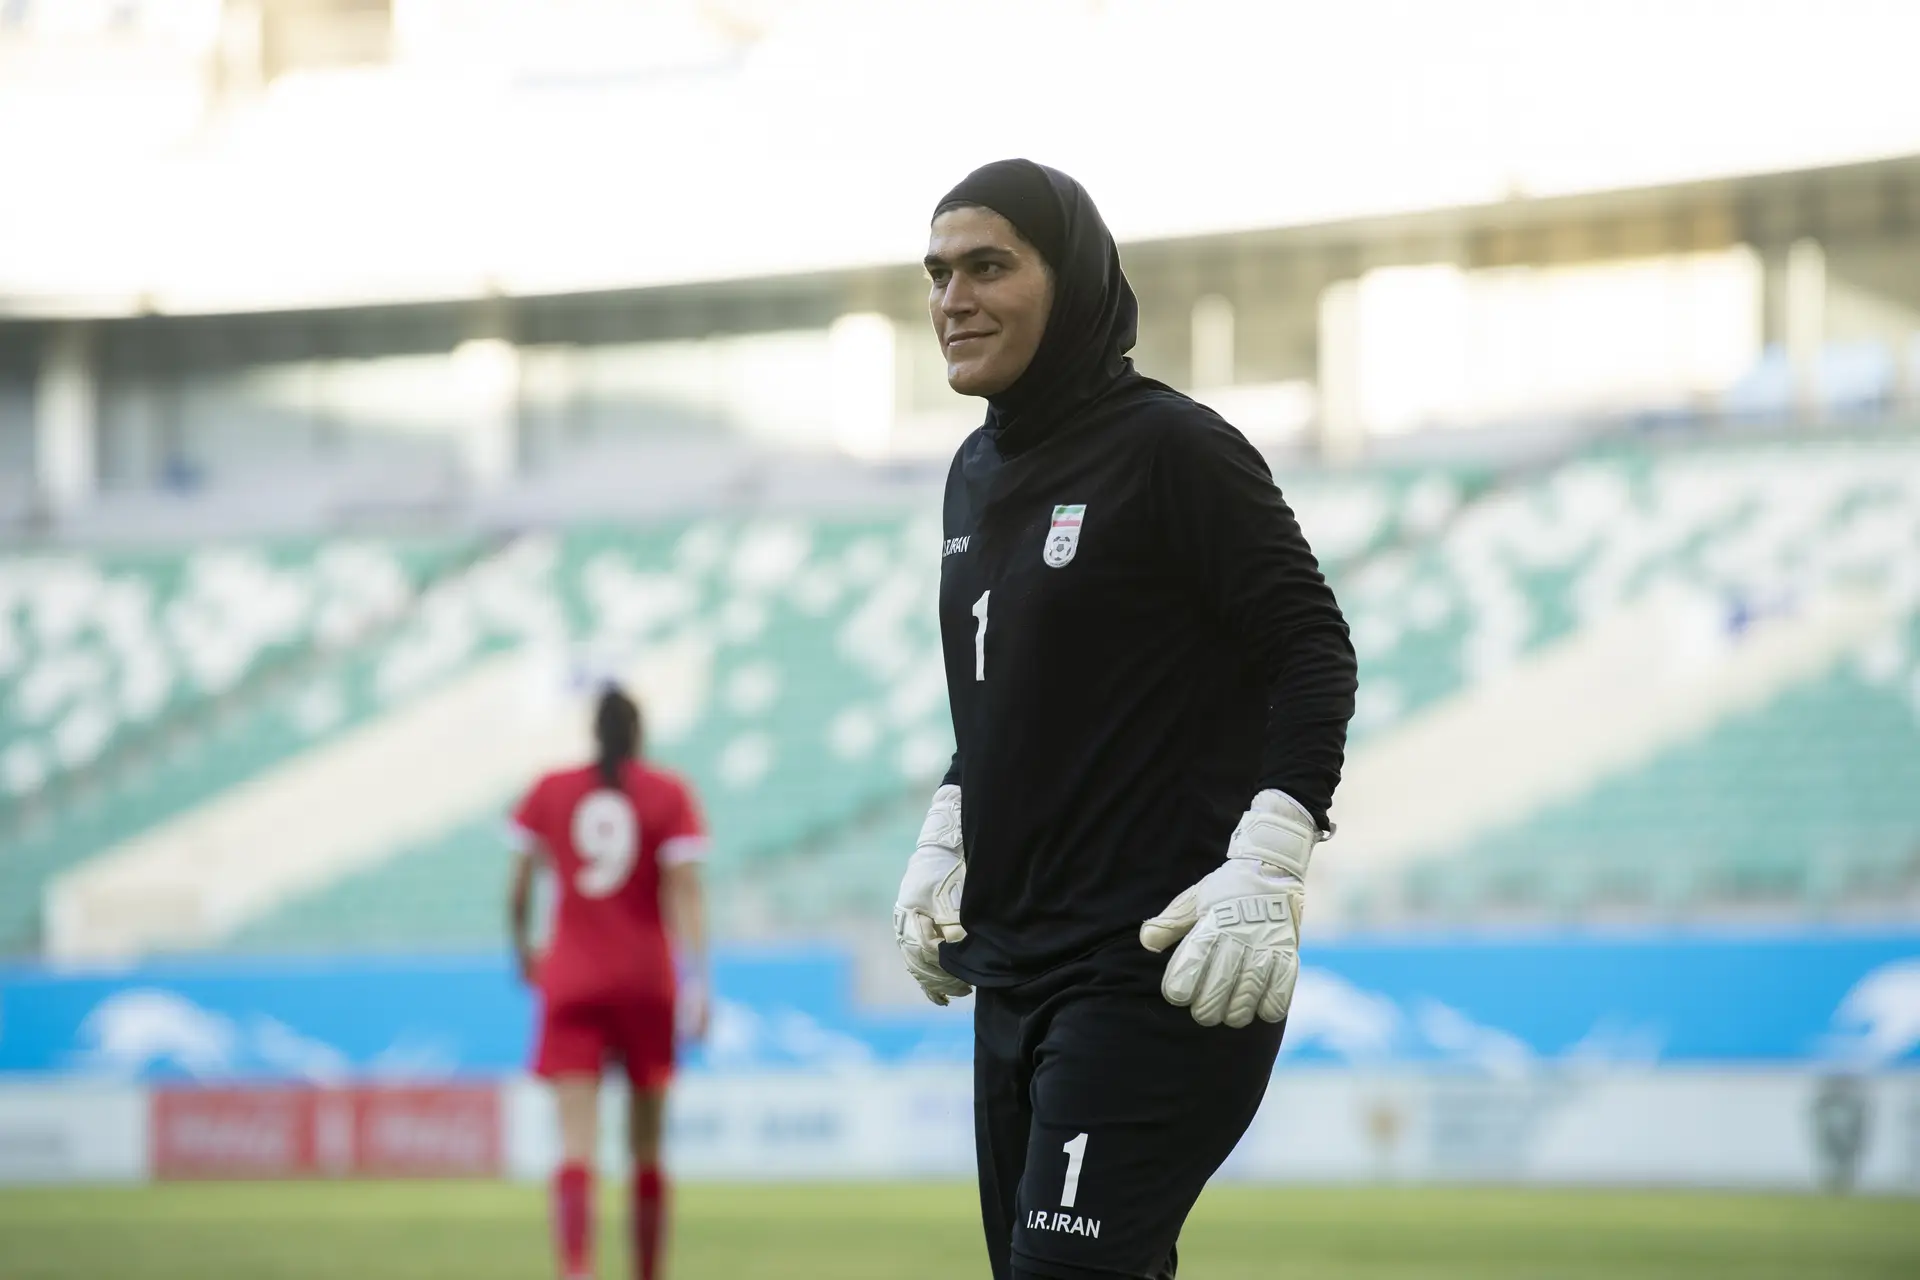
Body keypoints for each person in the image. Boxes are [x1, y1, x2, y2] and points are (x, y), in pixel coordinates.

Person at [893, 160, 1357, 1280]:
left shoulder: (1172, 447)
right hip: (1016, 967)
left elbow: (1311, 646)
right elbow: (1020, 692)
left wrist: (1274, 853)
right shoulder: (972, 470)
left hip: (1159, 963)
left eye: (990, 266)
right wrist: (950, 824)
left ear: (1079, 277)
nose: (954, 296)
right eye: (939, 272)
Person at [509, 684, 709, 1280]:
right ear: (639, 734)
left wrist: (524, 951)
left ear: (593, 732)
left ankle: (577, 1270)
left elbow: (519, 889)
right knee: (646, 1147)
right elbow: (684, 890)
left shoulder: (550, 790)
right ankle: (646, 1273)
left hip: (571, 976)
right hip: (647, 978)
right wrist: (698, 980)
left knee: (576, 1143)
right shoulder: (668, 792)